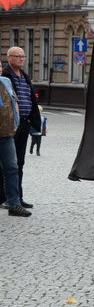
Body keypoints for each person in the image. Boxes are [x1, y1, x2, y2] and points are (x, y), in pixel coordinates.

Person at [0, 47, 40, 209]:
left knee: (18, 163)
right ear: (9, 58)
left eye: (23, 56)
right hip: (8, 126)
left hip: (23, 123)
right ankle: (6, 198)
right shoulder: (6, 77)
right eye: (17, 56)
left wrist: (33, 120)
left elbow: (29, 98)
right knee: (7, 164)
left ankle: (18, 197)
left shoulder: (23, 76)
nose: (21, 59)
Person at [0, 72, 29, 216]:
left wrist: (15, 123)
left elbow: (14, 103)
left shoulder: (6, 81)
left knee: (12, 168)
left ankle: (14, 204)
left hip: (6, 134)